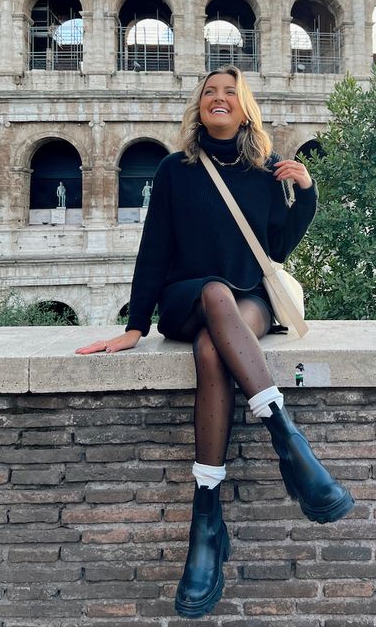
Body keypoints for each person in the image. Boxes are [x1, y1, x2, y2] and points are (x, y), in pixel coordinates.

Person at [76, 66, 353, 619]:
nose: (218, 99)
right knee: (213, 297)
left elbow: (277, 247)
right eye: (209, 93)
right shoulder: (174, 171)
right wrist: (135, 325)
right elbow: (154, 248)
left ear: (245, 107)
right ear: (199, 107)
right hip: (188, 296)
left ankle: (207, 521)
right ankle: (288, 442)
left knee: (213, 348)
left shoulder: (266, 170)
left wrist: (307, 193)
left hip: (251, 295)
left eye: (229, 92)